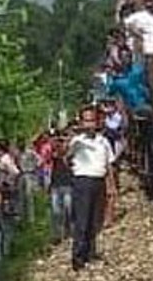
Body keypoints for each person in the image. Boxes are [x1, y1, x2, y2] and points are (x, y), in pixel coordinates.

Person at [67, 106, 116, 270]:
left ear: (97, 122)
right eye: (86, 120)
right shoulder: (77, 141)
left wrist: (111, 185)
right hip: (83, 181)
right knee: (82, 220)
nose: (89, 124)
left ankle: (90, 253)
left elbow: (109, 164)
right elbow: (66, 157)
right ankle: (78, 258)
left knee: (95, 220)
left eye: (92, 120)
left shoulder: (103, 141)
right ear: (81, 122)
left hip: (98, 181)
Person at [48, 130, 74, 244]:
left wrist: (67, 145)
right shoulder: (54, 154)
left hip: (68, 184)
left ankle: (69, 231)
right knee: (56, 211)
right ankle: (57, 234)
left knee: (69, 209)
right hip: (56, 185)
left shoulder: (70, 155)